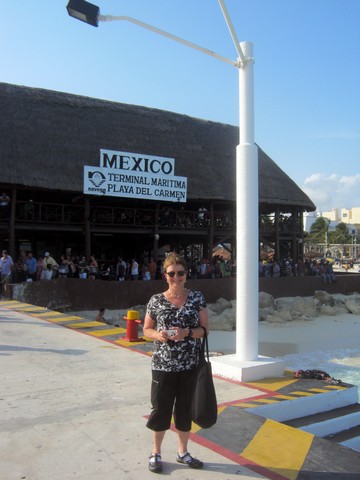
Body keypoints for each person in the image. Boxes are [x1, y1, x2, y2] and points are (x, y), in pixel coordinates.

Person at [143, 252, 209, 473]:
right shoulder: (156, 300)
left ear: (186, 275)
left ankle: (183, 452)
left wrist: (186, 332)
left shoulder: (197, 298)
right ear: (165, 275)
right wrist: (159, 335)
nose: (176, 277)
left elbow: (205, 331)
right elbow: (146, 330)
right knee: (160, 409)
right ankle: (156, 453)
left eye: (180, 273)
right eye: (172, 273)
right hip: (163, 365)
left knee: (183, 410)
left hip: (189, 366)